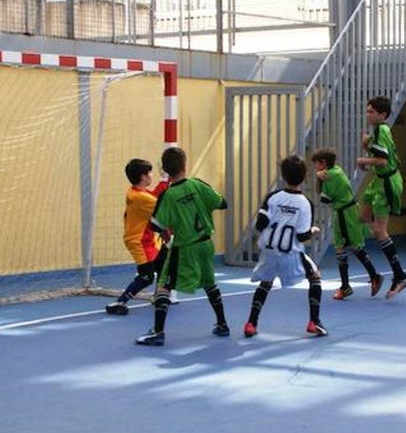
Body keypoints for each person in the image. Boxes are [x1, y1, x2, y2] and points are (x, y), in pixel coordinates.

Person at [136, 147, 230, 346]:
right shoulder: (198, 185)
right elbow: (223, 203)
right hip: (206, 244)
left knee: (164, 284)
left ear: (164, 170)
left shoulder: (169, 195)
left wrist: (167, 228)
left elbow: (155, 225)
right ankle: (222, 324)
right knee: (209, 282)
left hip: (185, 247)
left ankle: (158, 332)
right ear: (184, 165)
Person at [242, 155, 328, 338]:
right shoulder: (305, 204)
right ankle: (314, 321)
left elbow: (260, 224)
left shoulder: (272, 197)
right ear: (304, 177)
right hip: (291, 253)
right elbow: (302, 236)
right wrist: (313, 230)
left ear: (283, 176)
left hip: (269, 251)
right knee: (315, 277)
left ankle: (251, 323)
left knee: (266, 282)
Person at [357, 96, 406, 299]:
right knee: (364, 216)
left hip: (388, 182)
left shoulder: (382, 130)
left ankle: (400, 276)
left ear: (383, 115)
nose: (368, 115)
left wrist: (363, 159)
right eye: (367, 111)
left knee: (380, 231)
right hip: (378, 180)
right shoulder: (378, 131)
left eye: (371, 112)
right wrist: (367, 145)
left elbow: (382, 160)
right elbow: (380, 154)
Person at [311, 147, 385, 300]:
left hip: (346, 214)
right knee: (341, 247)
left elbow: (324, 199)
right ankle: (347, 285)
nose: (315, 168)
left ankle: (372, 277)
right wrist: (319, 177)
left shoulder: (331, 175)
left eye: (316, 164)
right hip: (340, 212)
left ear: (323, 163)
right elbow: (320, 192)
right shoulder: (335, 171)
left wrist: (319, 178)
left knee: (354, 246)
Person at [106, 158, 170, 315]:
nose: (151, 176)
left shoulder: (134, 191)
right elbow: (162, 206)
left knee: (164, 266)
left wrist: (164, 181)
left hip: (149, 238)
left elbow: (154, 195)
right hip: (139, 242)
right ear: (143, 177)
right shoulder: (141, 198)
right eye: (149, 173)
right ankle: (119, 302)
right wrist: (169, 181)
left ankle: (158, 296)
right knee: (146, 277)